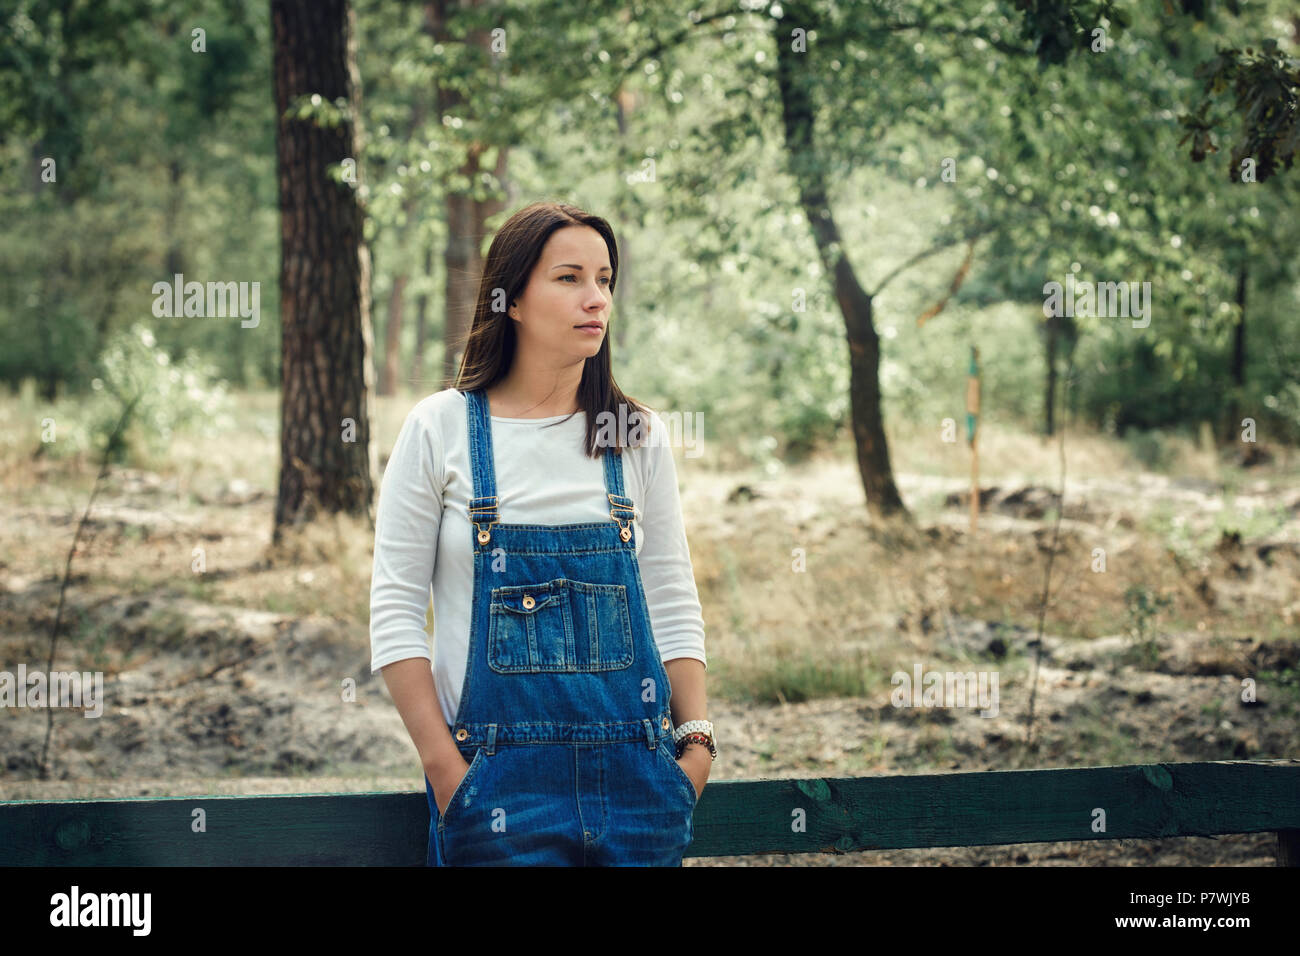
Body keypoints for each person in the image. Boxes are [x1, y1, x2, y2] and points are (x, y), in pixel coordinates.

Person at [369, 200, 714, 866]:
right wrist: (449, 775)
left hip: (640, 791)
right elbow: (394, 614)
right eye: (569, 278)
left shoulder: (635, 435)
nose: (596, 299)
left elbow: (671, 596)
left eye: (605, 280)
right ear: (512, 301)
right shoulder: (440, 428)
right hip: (494, 793)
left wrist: (694, 750)